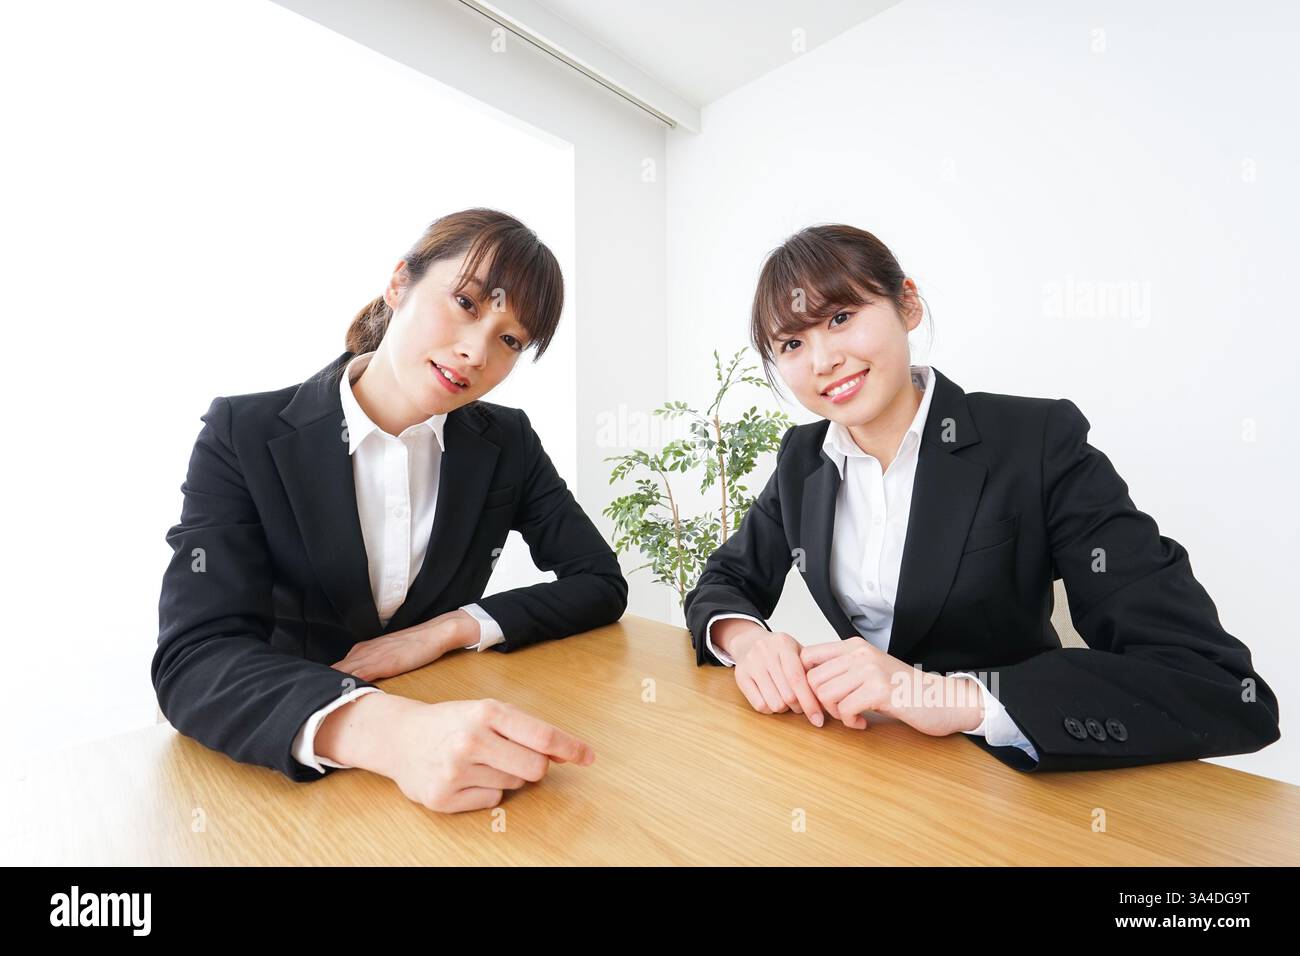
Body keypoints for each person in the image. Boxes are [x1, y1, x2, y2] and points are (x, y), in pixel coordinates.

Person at [683, 223, 1279, 772]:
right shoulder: (802, 459)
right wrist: (749, 640)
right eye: (791, 344)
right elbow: (724, 581)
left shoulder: (1037, 442)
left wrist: (947, 694)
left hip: (1008, 769)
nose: (823, 360)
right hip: (870, 762)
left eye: (840, 317)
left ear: (907, 305)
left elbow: (1214, 683)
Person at [154, 208, 626, 810]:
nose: (476, 352)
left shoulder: (506, 442)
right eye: (467, 304)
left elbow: (599, 580)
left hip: (447, 748)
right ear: (400, 282)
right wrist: (389, 733)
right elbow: (195, 660)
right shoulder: (241, 434)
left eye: (510, 340)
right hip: (290, 767)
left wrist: (448, 629)